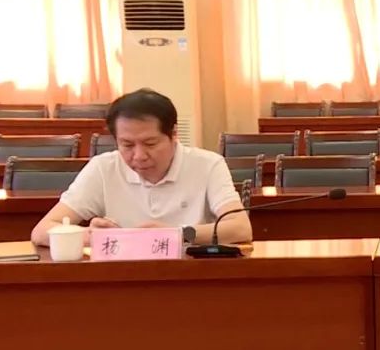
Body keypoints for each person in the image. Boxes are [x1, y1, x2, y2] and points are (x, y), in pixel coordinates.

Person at [30, 88, 252, 247]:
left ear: (174, 134)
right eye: (127, 145)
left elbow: (240, 228)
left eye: (150, 144)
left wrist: (178, 233)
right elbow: (42, 231)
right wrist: (91, 236)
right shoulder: (103, 168)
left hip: (190, 275)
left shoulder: (208, 165)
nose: (139, 156)